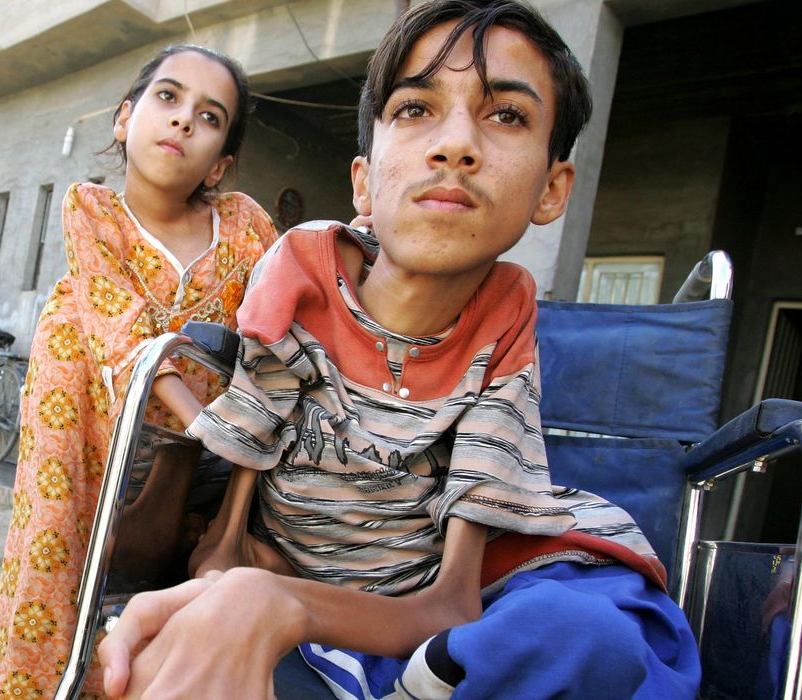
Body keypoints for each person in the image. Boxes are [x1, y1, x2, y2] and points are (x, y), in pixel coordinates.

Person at [97, 2, 702, 698]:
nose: (455, 146)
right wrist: (230, 589)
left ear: (551, 188)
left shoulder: (502, 323)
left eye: (505, 115)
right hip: (313, 572)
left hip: (449, 584)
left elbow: (450, 603)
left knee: (586, 634)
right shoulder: (297, 276)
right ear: (362, 179)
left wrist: (277, 604)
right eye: (415, 108)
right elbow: (231, 524)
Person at [0, 44, 279, 699]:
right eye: (167, 98)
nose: (181, 121)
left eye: (208, 116)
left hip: (196, 461)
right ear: (124, 118)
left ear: (221, 161)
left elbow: (275, 321)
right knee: (57, 561)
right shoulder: (93, 211)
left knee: (164, 608)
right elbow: (120, 329)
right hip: (90, 418)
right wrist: (201, 418)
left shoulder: (243, 226)